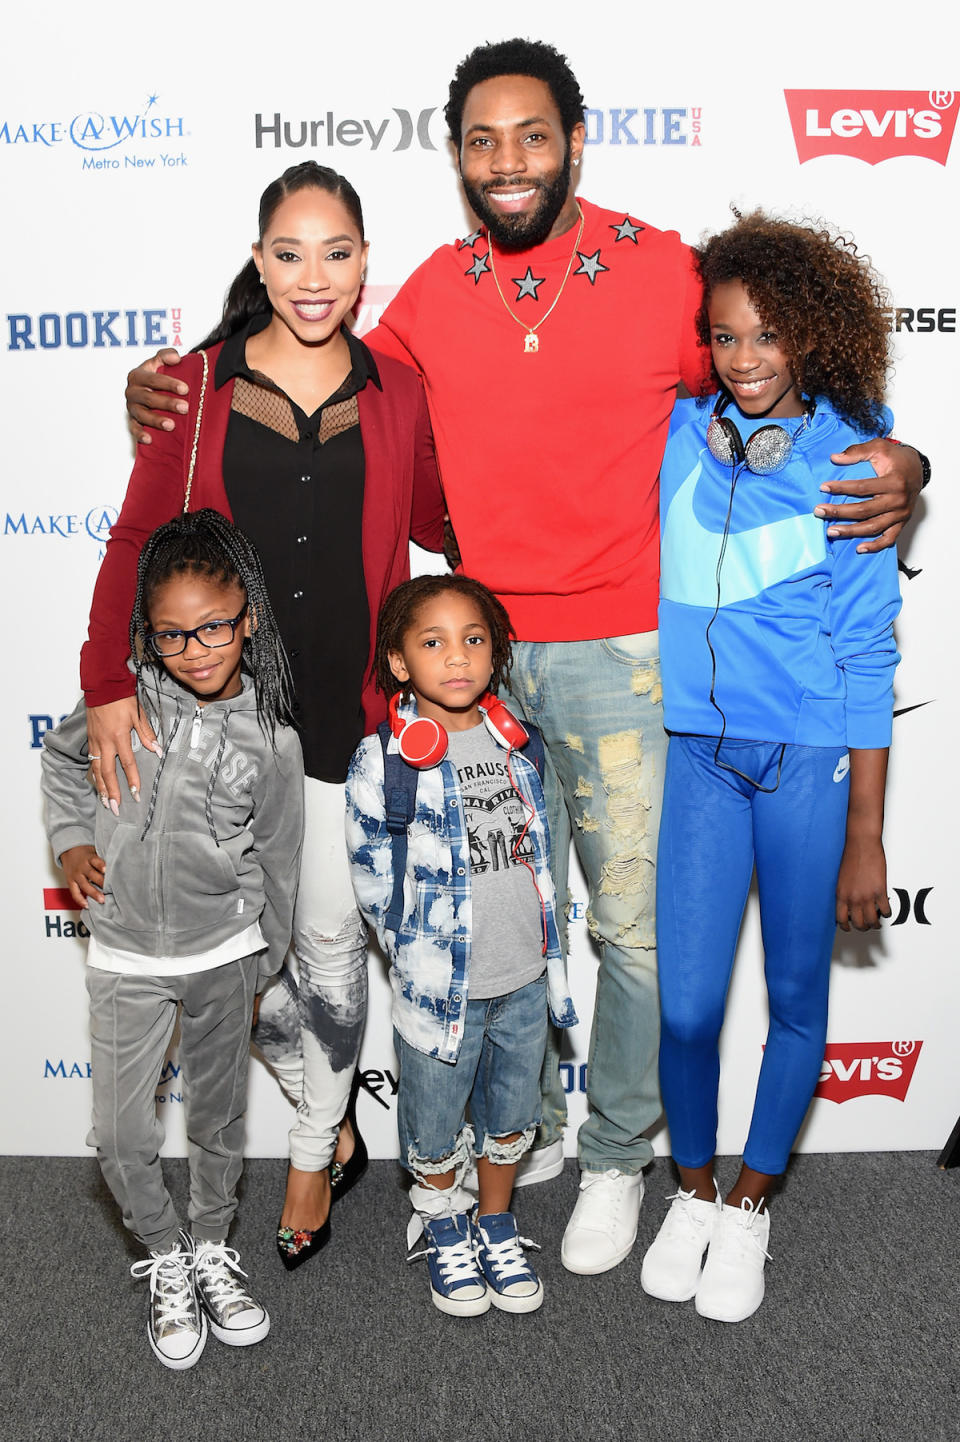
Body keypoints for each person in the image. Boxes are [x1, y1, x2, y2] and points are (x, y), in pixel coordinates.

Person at [121, 41, 924, 1275]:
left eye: (532, 136)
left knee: (636, 933)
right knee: (508, 927)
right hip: (477, 666)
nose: (509, 163)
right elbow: (318, 339)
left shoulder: (662, 268)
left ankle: (614, 1155)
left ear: (575, 141)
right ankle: (528, 1125)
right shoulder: (436, 290)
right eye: (484, 141)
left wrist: (899, 458)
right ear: (456, 157)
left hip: (625, 653)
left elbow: (782, 366)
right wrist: (178, 377)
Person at [81, 162, 445, 1269]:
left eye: (336, 252)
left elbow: (441, 518)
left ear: (366, 259)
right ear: (258, 260)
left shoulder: (399, 390)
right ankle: (331, 1114)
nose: (313, 276)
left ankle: (305, 1159)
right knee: (239, 970)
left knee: (330, 946)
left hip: (343, 718)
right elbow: (138, 542)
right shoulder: (193, 389)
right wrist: (105, 683)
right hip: (216, 724)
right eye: (289, 253)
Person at [641, 212, 901, 1322]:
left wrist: (867, 832)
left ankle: (749, 1206)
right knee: (690, 1010)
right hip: (698, 754)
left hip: (805, 760)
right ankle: (688, 1190)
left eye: (766, 337)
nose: (743, 359)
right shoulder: (678, 434)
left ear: (811, 336)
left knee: (794, 1001)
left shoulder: (857, 460)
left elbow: (868, 650)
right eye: (724, 337)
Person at [42, 510, 304, 1368]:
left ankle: (211, 1250)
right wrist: (75, 841)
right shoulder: (123, 701)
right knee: (122, 1138)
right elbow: (60, 761)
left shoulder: (273, 740)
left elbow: (279, 858)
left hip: (224, 956)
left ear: (248, 620)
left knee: (218, 1125)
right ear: (147, 637)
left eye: (215, 628)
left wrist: (262, 961)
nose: (195, 649)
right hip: (123, 954)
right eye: (172, 635)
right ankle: (163, 1254)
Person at [345, 575, 576, 1315]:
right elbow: (372, 877)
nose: (458, 657)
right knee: (435, 1126)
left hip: (524, 981)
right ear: (400, 662)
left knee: (511, 1117)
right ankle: (445, 1228)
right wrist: (416, 952)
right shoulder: (383, 759)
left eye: (474, 639)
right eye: (433, 642)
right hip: (438, 992)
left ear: (496, 651)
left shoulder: (521, 744)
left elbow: (541, 859)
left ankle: (496, 1222)